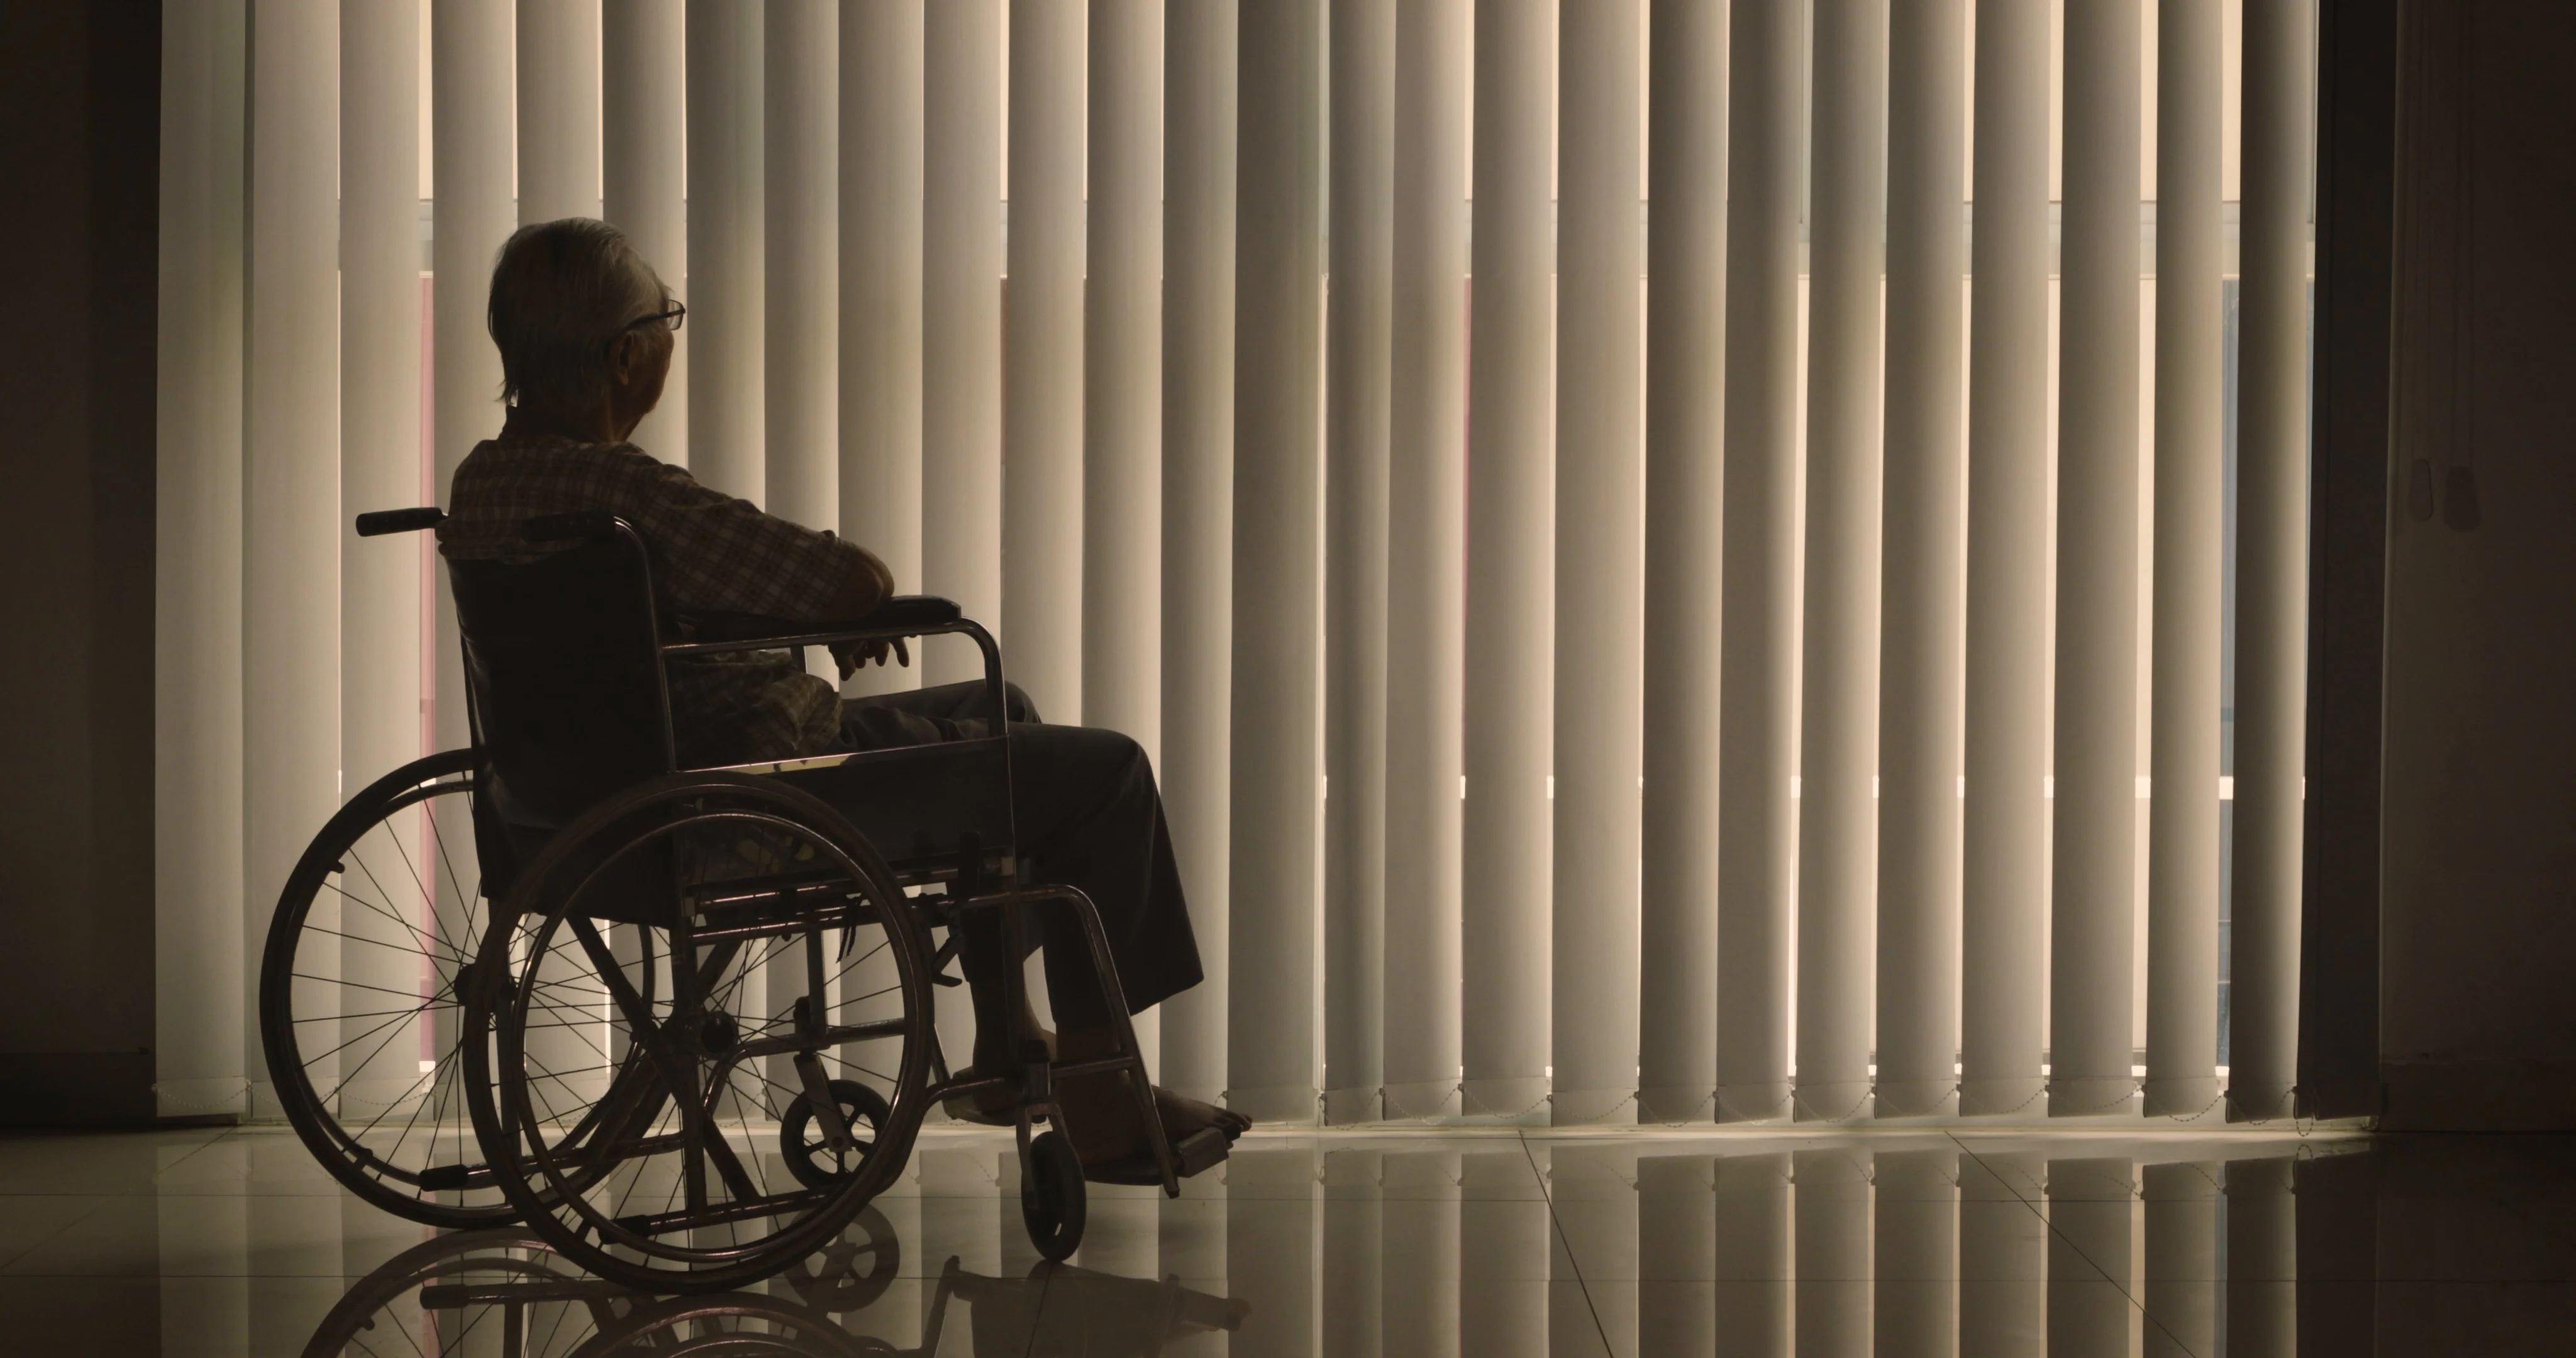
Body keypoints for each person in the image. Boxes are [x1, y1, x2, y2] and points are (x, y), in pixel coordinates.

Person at [436, 218, 1246, 1174]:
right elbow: (848, 580)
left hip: (585, 802)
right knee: (1105, 774)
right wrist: (846, 608)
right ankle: (1101, 1093)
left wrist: (798, 615)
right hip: (749, 791)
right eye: (668, 322)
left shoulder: (482, 483)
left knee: (1006, 711)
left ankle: (1004, 1042)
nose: (669, 341)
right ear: (625, 355)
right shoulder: (616, 492)